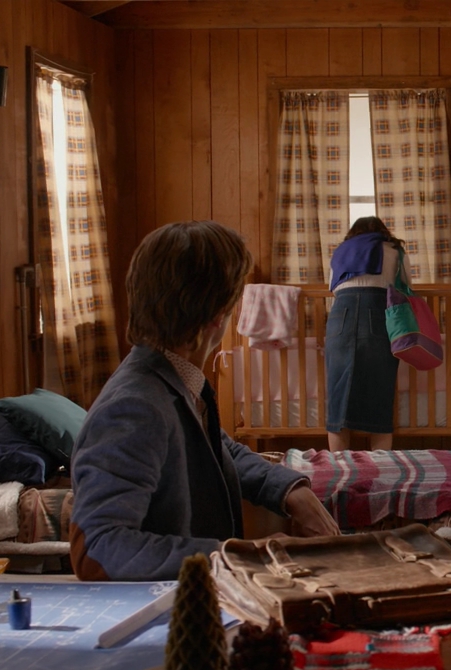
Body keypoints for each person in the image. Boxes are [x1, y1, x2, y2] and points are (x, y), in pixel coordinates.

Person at [70, 220, 341, 582]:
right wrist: (245, 556)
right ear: (217, 315)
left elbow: (218, 449)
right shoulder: (135, 408)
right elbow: (99, 551)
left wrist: (291, 489)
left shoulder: (172, 380)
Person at [324, 216, 410, 451]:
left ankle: (338, 465)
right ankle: (380, 465)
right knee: (380, 391)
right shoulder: (393, 250)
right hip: (377, 313)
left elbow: (332, 288)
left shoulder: (340, 252)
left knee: (338, 394)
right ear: (382, 230)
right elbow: (405, 285)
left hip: (340, 314)